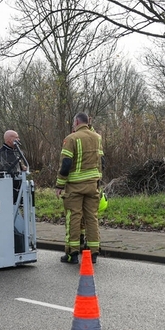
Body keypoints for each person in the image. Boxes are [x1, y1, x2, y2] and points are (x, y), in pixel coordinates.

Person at [56, 112, 103, 265]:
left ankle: (72, 254)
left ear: (76, 122)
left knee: (73, 218)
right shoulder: (97, 137)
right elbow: (102, 162)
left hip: (75, 186)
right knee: (92, 217)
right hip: (92, 185)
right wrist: (98, 181)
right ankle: (93, 253)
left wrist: (60, 184)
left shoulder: (72, 138)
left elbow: (66, 164)